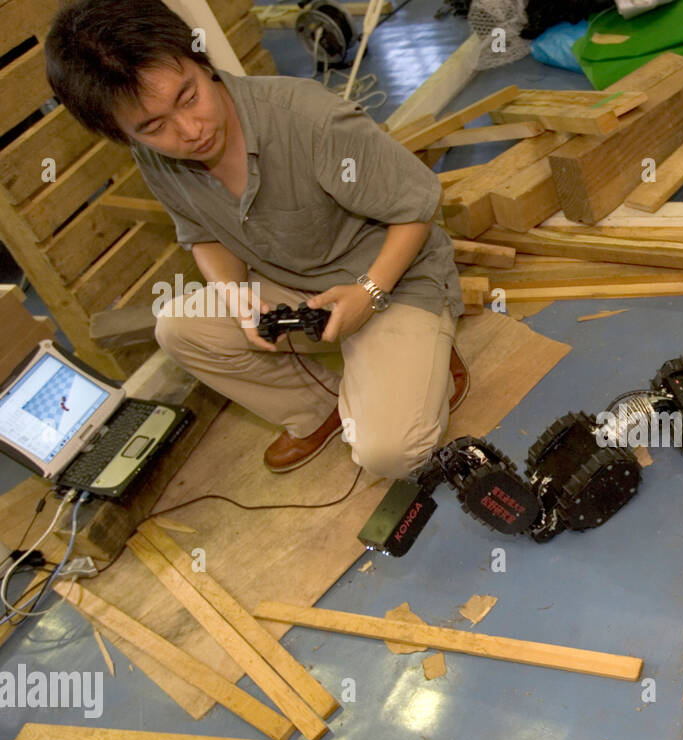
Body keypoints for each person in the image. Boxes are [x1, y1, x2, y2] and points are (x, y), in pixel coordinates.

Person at [45, 0, 468, 477]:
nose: (190, 130)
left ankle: (426, 359)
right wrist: (236, 292)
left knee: (389, 454)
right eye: (154, 126)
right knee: (178, 327)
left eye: (188, 97)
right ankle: (320, 407)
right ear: (120, 133)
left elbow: (417, 208)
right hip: (293, 283)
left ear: (202, 63)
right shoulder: (154, 158)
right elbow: (203, 235)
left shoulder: (306, 117)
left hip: (392, 278)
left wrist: (370, 293)